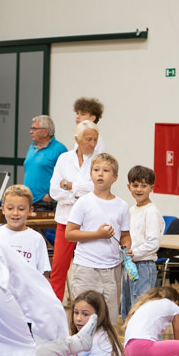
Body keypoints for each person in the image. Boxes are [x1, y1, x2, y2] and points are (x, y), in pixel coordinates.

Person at [65, 152, 131, 320]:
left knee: (108, 318)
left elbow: (125, 235)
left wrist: (127, 248)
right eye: (96, 170)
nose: (100, 174)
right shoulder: (83, 202)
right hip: (86, 268)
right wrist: (97, 234)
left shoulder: (122, 206)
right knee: (84, 316)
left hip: (111, 269)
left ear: (115, 177)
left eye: (106, 170)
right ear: (91, 174)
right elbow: (70, 233)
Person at [48, 120, 99, 301]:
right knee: (59, 268)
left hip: (89, 223)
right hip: (65, 220)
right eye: (88, 139)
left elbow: (95, 189)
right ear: (77, 139)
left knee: (89, 268)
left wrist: (69, 186)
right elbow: (54, 190)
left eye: (95, 139)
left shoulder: (98, 160)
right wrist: (77, 194)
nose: (92, 144)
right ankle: (55, 308)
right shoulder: (64, 159)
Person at [121, 165, 162, 320]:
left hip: (144, 266)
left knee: (141, 309)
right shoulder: (131, 210)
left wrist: (135, 253)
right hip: (130, 265)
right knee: (128, 309)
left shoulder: (151, 211)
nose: (139, 189)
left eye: (143, 186)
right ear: (129, 186)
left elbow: (153, 243)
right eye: (135, 185)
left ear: (151, 188)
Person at [0, 184, 52, 276]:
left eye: (21, 209)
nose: (15, 213)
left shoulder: (36, 239)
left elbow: (43, 274)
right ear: (3, 209)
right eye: (10, 208)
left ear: (30, 211)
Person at [22, 115, 67, 206]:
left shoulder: (59, 149)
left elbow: (67, 175)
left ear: (45, 132)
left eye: (34, 129)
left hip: (45, 203)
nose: (31, 132)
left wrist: (51, 197)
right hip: (28, 201)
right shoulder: (32, 147)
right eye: (31, 128)